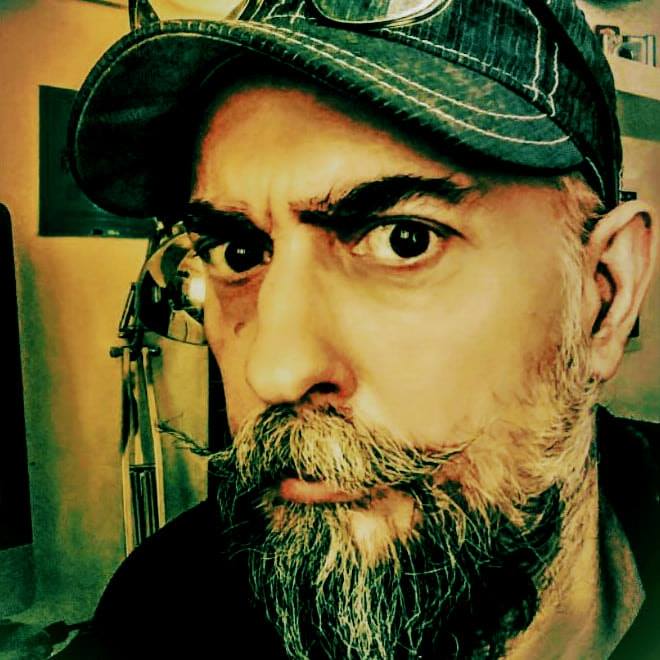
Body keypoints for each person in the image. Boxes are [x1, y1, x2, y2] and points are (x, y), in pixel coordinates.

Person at [56, 0, 659, 657]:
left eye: (404, 240)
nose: (274, 371)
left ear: (604, 298)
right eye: (239, 252)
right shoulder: (160, 613)